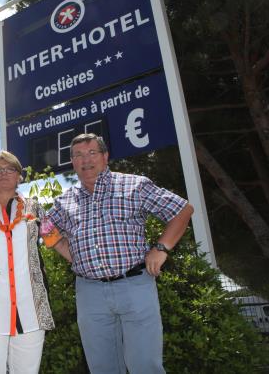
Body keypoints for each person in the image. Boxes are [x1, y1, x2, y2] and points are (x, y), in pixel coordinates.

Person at [47, 133, 194, 374]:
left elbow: (182, 210)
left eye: (92, 152)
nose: (86, 160)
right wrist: (69, 252)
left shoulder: (134, 185)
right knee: (102, 368)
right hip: (89, 292)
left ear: (105, 156)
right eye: (78, 155)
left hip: (135, 285)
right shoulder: (65, 201)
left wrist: (161, 248)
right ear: (72, 162)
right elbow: (44, 227)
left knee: (145, 365)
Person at [0, 150, 71, 374]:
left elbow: (57, 243)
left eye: (10, 169)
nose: (4, 174)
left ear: (19, 176)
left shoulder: (35, 209)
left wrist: (88, 265)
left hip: (32, 308)